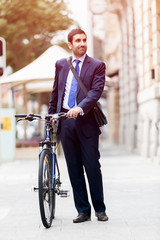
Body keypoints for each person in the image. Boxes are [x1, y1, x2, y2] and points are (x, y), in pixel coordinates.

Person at [48, 28, 108, 223]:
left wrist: (79, 108)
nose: (82, 43)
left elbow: (95, 92)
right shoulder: (60, 65)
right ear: (70, 44)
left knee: (92, 166)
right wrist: (51, 116)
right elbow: (56, 93)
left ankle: (99, 209)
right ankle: (83, 210)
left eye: (84, 40)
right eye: (78, 40)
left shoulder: (97, 66)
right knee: (74, 168)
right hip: (66, 123)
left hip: (87, 122)